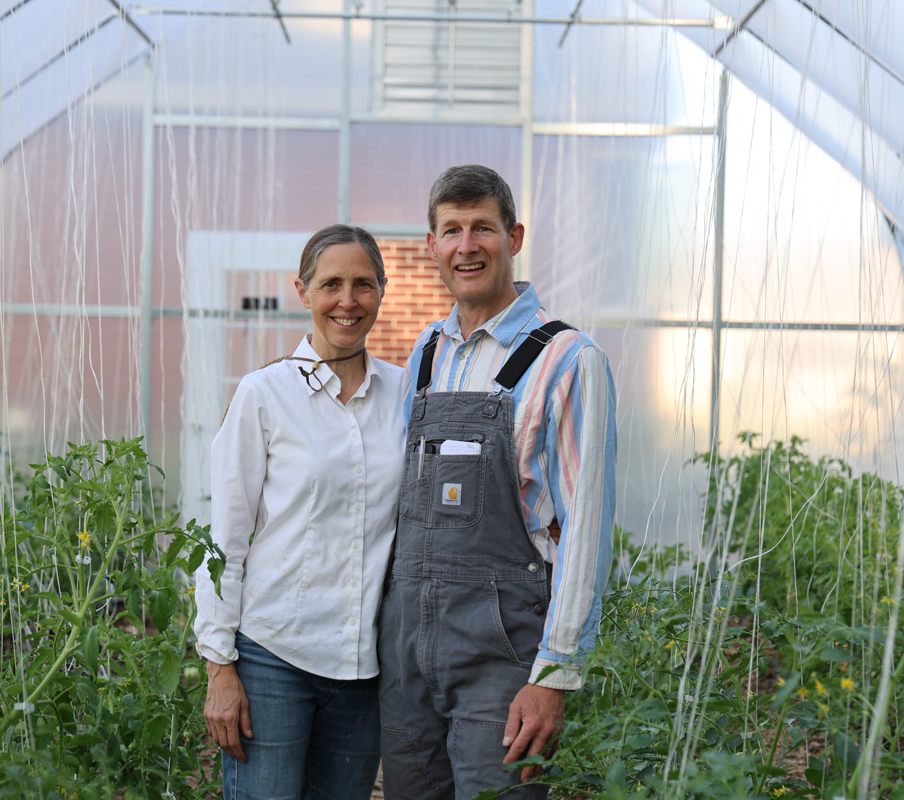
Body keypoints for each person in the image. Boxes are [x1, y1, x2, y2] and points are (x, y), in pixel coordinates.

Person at [378, 164, 617, 799]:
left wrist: (554, 675)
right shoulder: (426, 352)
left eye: (482, 227)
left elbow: (586, 529)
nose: (467, 246)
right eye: (451, 230)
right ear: (431, 245)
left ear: (513, 237)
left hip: (503, 654)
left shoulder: (569, 360)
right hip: (406, 653)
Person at [195, 224, 405, 800]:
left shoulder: (405, 393)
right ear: (302, 291)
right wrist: (219, 666)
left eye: (363, 284)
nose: (347, 300)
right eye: (331, 284)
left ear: (381, 291)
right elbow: (224, 540)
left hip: (363, 668)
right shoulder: (263, 394)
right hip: (273, 657)